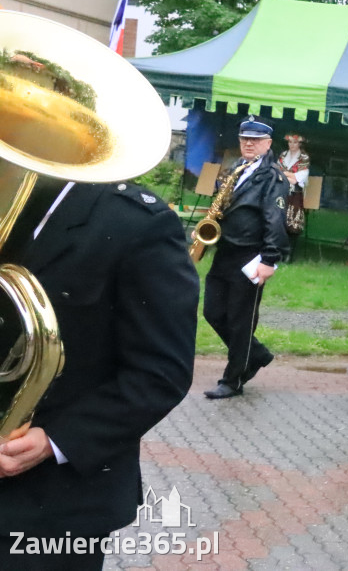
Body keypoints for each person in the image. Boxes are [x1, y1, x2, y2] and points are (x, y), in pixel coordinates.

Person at [0, 180, 199, 570]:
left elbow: (161, 372)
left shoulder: (138, 222)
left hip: (52, 502)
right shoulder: (10, 198)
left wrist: (53, 442)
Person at [203, 117, 290, 399]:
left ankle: (233, 380)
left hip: (250, 255)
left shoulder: (273, 177)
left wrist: (269, 259)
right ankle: (256, 354)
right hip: (226, 251)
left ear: (268, 143)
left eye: (255, 140)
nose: (248, 144)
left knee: (241, 321)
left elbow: (274, 221)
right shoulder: (236, 168)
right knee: (213, 312)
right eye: (244, 139)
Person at [278, 133, 310, 260]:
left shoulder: (304, 157)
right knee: (279, 221)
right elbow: (277, 172)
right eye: (290, 142)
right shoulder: (283, 156)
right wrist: (290, 175)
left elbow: (298, 178)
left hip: (295, 194)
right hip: (281, 192)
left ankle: (289, 255)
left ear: (300, 144)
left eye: (295, 142)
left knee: (293, 224)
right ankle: (279, 252)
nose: (292, 145)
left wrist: (287, 175)